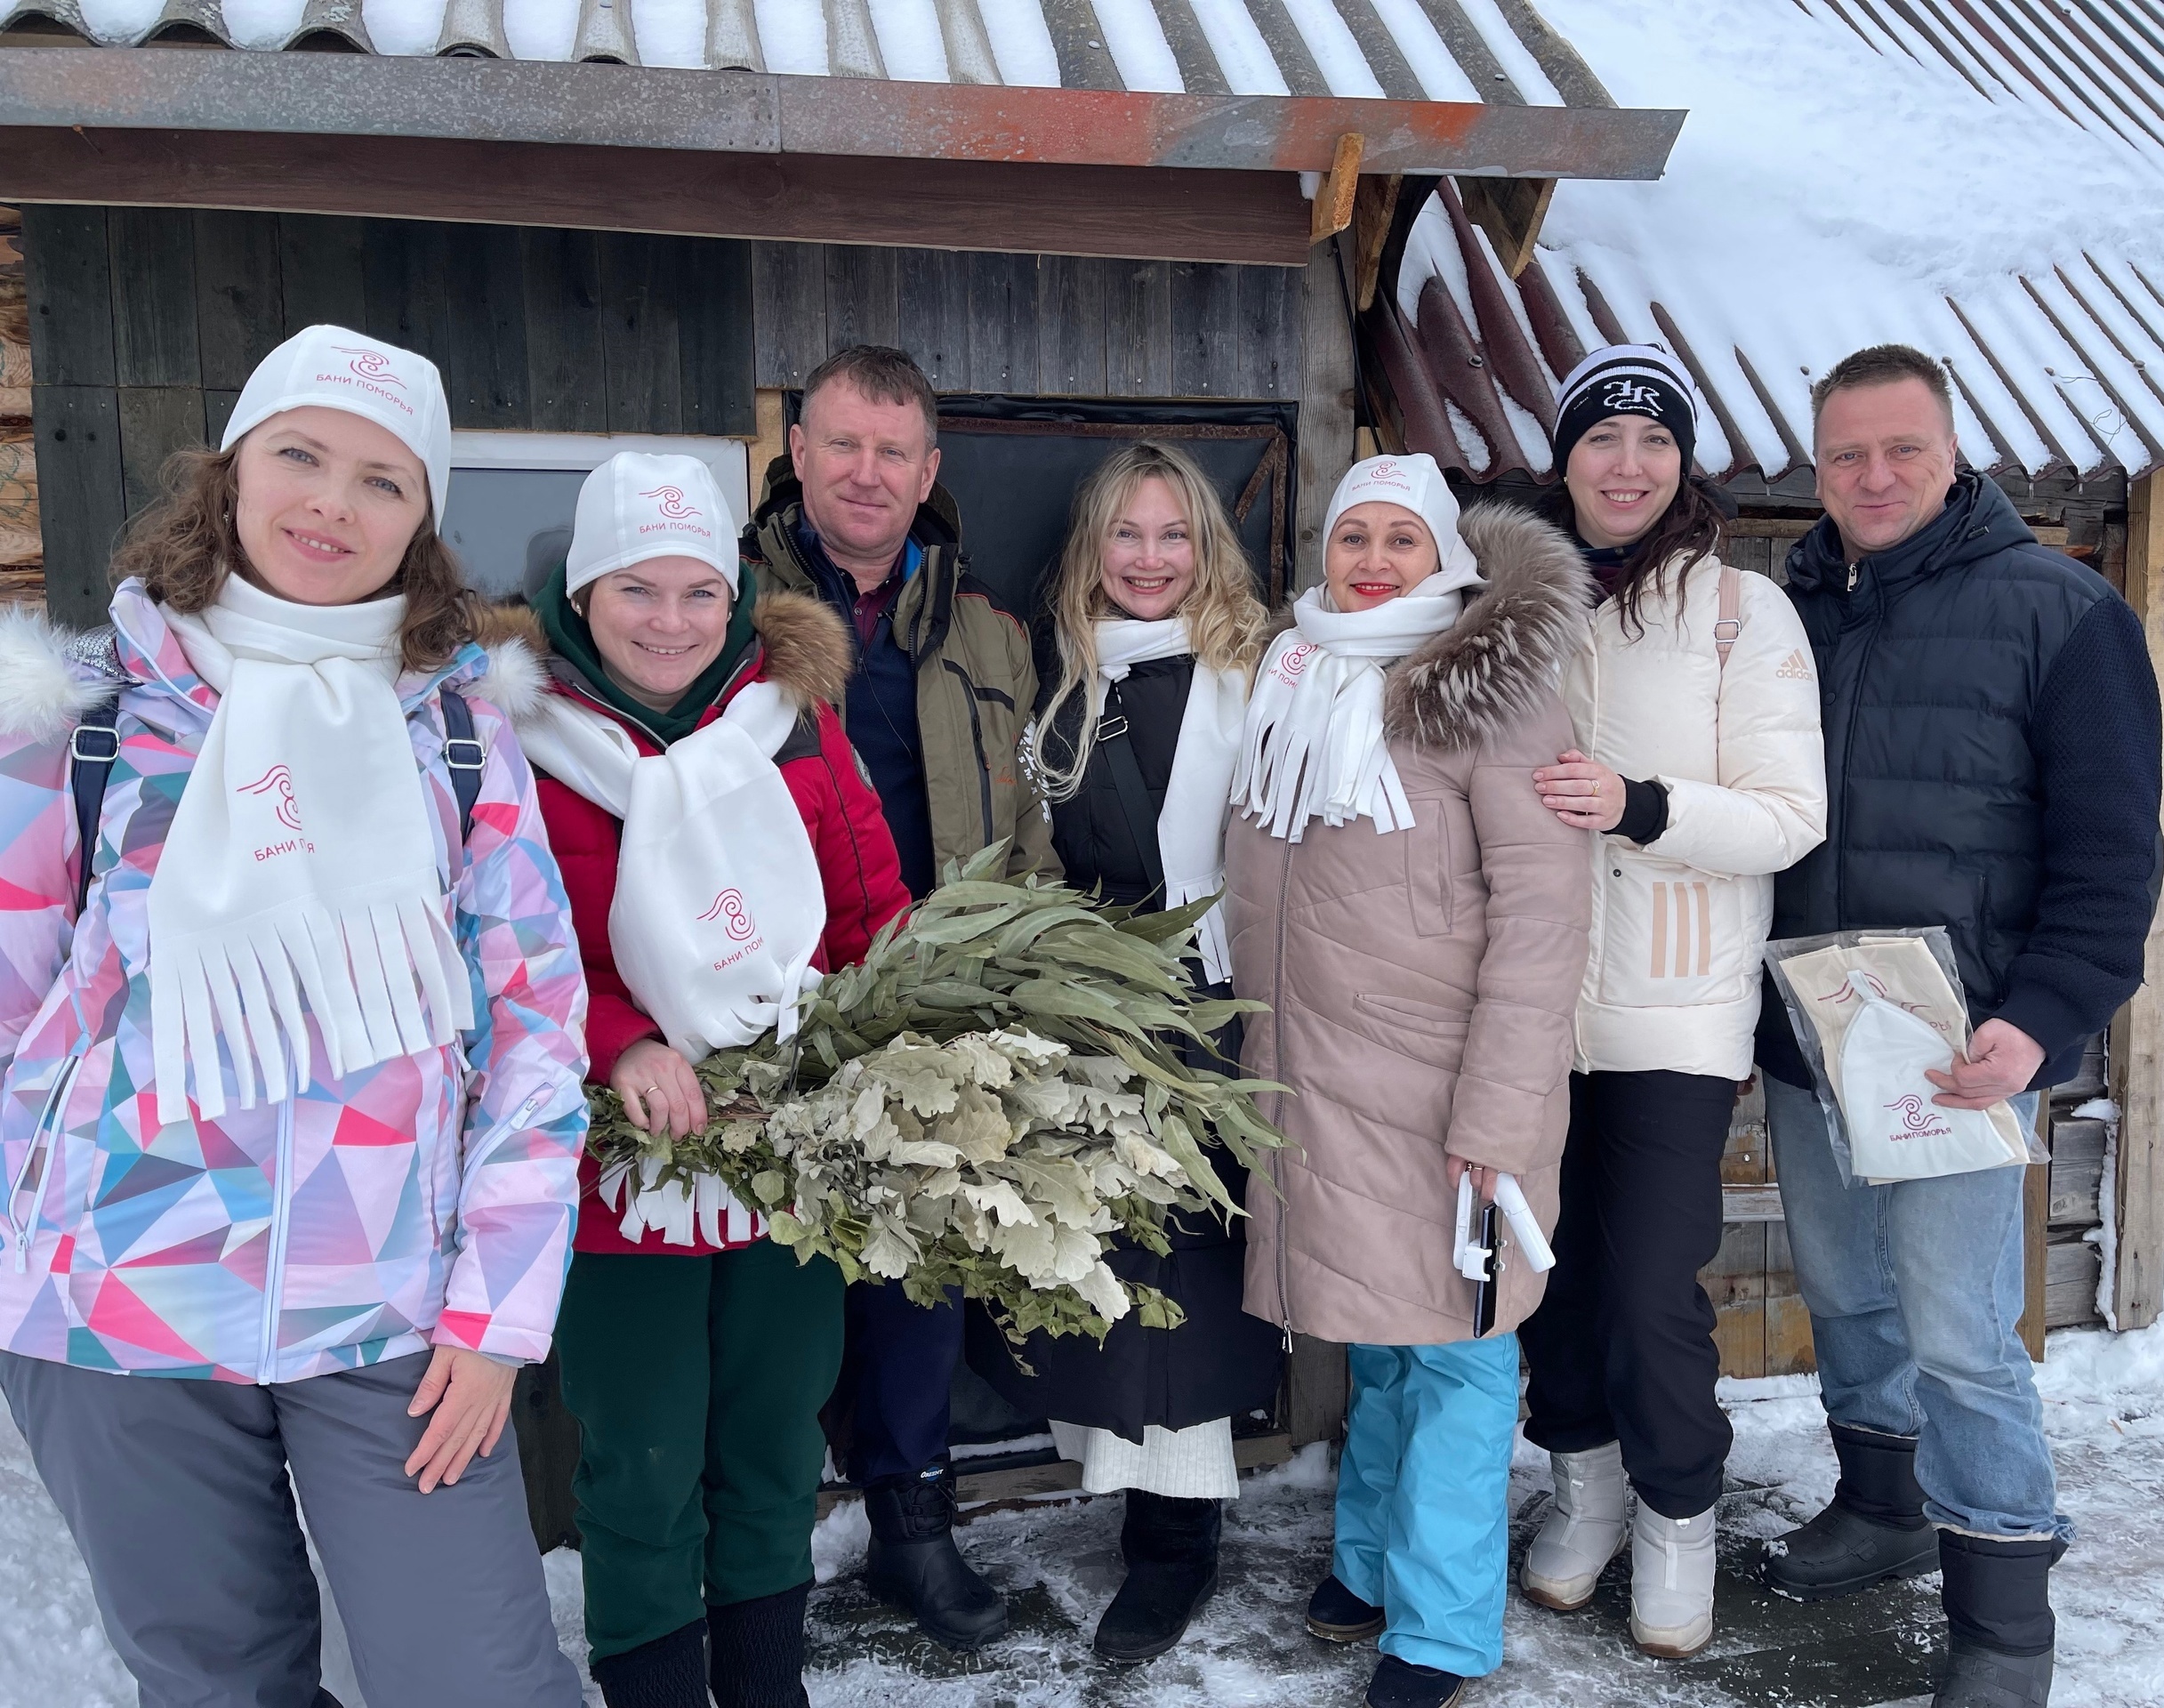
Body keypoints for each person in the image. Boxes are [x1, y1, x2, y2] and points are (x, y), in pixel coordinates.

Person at [0, 326, 587, 1706]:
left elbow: (534, 1030)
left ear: (423, 522)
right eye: (302, 456)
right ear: (233, 473)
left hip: (388, 1312)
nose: (333, 502)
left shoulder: (455, 735)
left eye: (383, 480)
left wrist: (496, 1310)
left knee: (476, 1680)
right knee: (214, 1685)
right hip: (113, 1308)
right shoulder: (81, 718)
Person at [1753, 344, 2161, 1707]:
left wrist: (2041, 1021)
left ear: (1951, 451)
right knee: (1847, 1293)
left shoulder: (2060, 612)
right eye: (1844, 456)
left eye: (1899, 451)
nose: (1871, 478)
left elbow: (2113, 856)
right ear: (1814, 469)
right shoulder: (1785, 613)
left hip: (1960, 1046)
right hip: (1813, 1032)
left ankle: (2001, 1619)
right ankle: (1880, 1508)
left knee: (1960, 1331)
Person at [502, 452, 911, 1707]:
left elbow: (870, 906)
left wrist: (907, 1017)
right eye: (637, 590)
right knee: (638, 1450)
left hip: (786, 1148)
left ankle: (764, 1678)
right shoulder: (515, 740)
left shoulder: (792, 721)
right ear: (583, 594)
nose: (669, 622)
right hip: (625, 1166)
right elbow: (500, 942)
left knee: (778, 1432)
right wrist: (619, 1038)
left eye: (696, 592)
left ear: (734, 596)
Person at [1226, 453, 1593, 1708]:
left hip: (1447, 1092)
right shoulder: (1297, 675)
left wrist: (1497, 1111)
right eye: (1351, 538)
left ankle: (1438, 1629)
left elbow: (1543, 918)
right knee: (1384, 1346)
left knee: (1461, 1353)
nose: (1372, 562)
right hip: (1320, 1078)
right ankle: (1372, 1563)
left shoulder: (1494, 695)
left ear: (1443, 557)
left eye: (1400, 540)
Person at [742, 343, 1057, 1650]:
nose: (866, 473)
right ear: (798, 452)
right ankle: (750, 1555)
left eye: (893, 451)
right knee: (770, 1277)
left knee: (914, 1275)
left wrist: (1021, 971)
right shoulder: (721, 607)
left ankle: (911, 1536)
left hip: (932, 999)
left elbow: (1029, 816)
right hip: (761, 997)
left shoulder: (986, 630)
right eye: (842, 444)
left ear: (928, 473)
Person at [1515, 345, 1827, 1657]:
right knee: (1552, 1279)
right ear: (1566, 457)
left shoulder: (1737, 614)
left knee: (1649, 1284)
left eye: (1651, 441)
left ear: (1681, 461)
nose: (1626, 465)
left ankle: (1679, 1516)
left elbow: (1790, 817)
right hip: (1526, 1004)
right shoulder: (1510, 600)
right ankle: (1582, 1496)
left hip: (1671, 1007)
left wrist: (1641, 807)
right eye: (1601, 439)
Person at [969, 441, 1283, 1664]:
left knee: (1188, 1290)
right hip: (1084, 1021)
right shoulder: (1060, 679)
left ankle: (1176, 1543)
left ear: (1206, 552)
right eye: (1126, 537)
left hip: (1212, 1021)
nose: (1150, 561)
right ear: (1089, 551)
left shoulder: (1255, 680)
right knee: (1097, 1276)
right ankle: (1135, 1512)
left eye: (1174, 537)